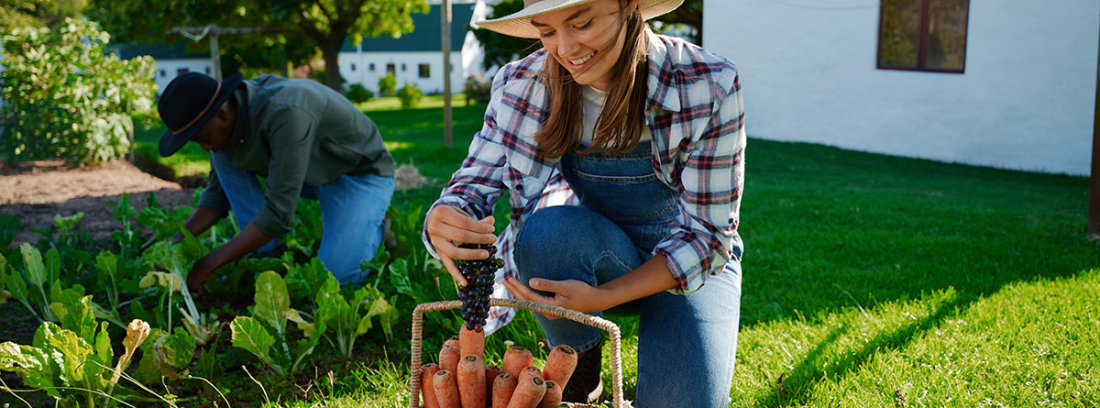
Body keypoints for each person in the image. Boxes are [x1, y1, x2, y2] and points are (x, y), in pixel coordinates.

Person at [423, 0, 745, 406]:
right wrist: (445, 217)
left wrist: (605, 299)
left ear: (628, 6)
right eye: (546, 31)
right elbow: (470, 187)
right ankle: (579, 367)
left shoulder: (706, 82)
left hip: (690, 265)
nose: (565, 48)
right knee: (548, 234)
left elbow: (708, 236)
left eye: (582, 23)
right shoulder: (522, 83)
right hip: (598, 252)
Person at [157, 72, 396, 291]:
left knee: (334, 282)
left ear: (222, 113)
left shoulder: (286, 112)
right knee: (221, 155)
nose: (205, 147)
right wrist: (174, 243)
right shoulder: (229, 120)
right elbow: (217, 198)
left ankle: (374, 227)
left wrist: (209, 264)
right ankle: (267, 256)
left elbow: (277, 216)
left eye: (203, 137)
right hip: (310, 172)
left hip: (358, 176)